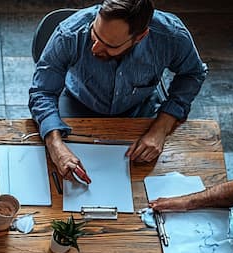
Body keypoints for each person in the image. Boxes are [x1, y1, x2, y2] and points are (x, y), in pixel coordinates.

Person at [29, 0, 207, 182]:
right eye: (94, 34)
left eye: (110, 45)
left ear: (140, 37)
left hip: (140, 110)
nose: (95, 47)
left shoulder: (171, 36)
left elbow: (192, 74)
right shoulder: (69, 33)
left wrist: (162, 127)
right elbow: (42, 91)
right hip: (78, 103)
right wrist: (54, 144)